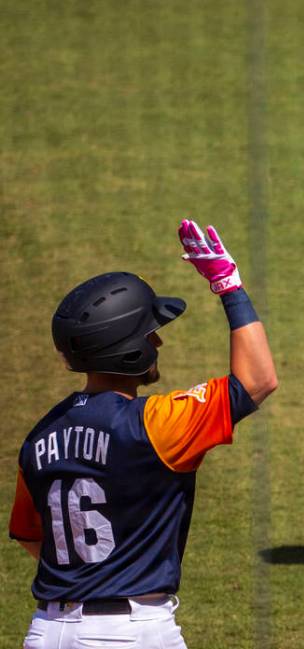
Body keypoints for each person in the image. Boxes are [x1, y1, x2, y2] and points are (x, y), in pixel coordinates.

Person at [8, 220, 277, 649]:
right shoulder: (156, 424)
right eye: (150, 333)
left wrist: (87, 582)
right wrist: (229, 286)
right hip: (128, 633)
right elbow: (257, 380)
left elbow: (30, 534)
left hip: (46, 631)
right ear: (128, 348)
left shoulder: (39, 437)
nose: (158, 342)